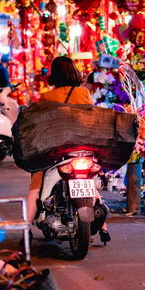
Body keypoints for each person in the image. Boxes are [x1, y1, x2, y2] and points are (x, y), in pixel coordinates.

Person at [26, 56, 94, 221]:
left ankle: (25, 227)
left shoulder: (47, 97)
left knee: (36, 184)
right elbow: (93, 117)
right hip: (81, 146)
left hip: (54, 149)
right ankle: (104, 227)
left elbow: (37, 122)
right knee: (90, 181)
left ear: (54, 75)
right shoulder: (83, 93)